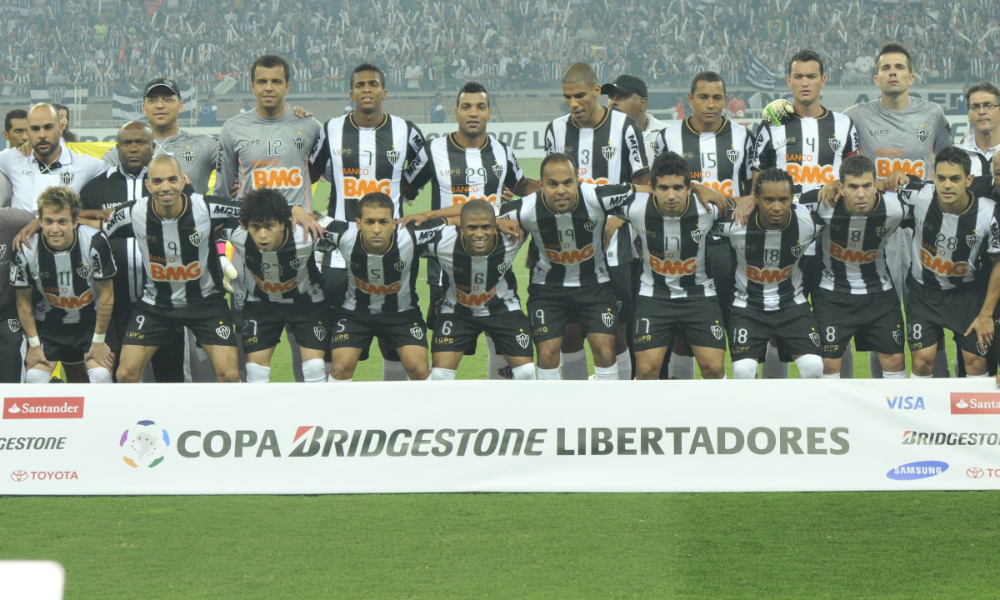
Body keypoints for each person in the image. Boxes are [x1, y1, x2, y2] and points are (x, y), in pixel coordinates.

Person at [406, 81, 538, 380]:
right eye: (466, 106)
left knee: (499, 344)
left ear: (490, 112)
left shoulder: (502, 152)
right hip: (445, 267)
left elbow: (523, 188)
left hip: (495, 260)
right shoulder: (434, 149)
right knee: (443, 358)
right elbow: (403, 186)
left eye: (480, 106)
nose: (473, 113)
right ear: (456, 112)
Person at [837, 42, 953, 378]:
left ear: (911, 76)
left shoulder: (932, 115)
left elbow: (949, 164)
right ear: (876, 78)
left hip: (923, 231)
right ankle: (883, 397)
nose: (893, 73)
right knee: (881, 322)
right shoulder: (855, 116)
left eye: (899, 67)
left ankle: (937, 397)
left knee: (928, 316)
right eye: (886, 68)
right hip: (877, 231)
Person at [309, 62, 429, 382]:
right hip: (338, 245)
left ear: (383, 92)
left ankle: (391, 413)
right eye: (360, 85)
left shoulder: (406, 131)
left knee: (394, 328)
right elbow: (311, 172)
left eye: (372, 84)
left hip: (392, 242)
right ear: (351, 93)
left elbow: (421, 172)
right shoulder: (331, 129)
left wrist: (402, 195)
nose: (366, 89)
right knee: (336, 325)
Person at [214, 55, 325, 382]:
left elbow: (320, 170)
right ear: (252, 85)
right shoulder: (233, 129)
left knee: (302, 330)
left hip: (301, 241)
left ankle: (309, 405)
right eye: (262, 81)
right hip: (252, 243)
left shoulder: (310, 126)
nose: (269, 87)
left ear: (288, 86)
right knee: (252, 319)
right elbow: (224, 191)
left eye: (276, 81)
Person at [750, 49, 859, 378]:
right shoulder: (771, 126)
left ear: (823, 80)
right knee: (776, 323)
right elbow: (757, 180)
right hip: (784, 240)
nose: (805, 82)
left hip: (831, 242)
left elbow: (855, 174)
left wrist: (840, 184)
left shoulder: (844, 124)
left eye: (812, 76)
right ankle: (776, 402)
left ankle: (843, 401)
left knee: (837, 325)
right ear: (789, 81)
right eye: (798, 76)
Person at [102, 155, 254, 383]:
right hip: (156, 306)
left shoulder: (205, 207)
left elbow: (256, 210)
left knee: (230, 376)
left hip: (205, 304)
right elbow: (99, 227)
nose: (165, 187)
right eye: (158, 181)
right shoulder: (133, 213)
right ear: (148, 185)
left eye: (172, 180)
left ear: (183, 181)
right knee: (125, 375)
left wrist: (297, 212)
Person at [544, 63, 649, 381]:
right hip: (566, 254)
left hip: (615, 252)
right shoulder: (555, 131)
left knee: (615, 334)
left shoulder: (625, 128)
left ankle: (622, 406)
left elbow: (644, 187)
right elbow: (549, 188)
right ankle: (574, 412)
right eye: (566, 97)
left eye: (579, 96)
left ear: (596, 91)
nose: (573, 104)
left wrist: (616, 218)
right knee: (570, 333)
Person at [655, 71, 754, 379]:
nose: (710, 105)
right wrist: (698, 187)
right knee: (682, 331)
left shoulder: (742, 136)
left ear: (726, 100)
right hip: (683, 246)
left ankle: (733, 397)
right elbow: (657, 187)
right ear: (690, 100)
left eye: (717, 98)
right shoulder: (668, 137)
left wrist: (747, 199)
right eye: (703, 97)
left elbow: (754, 189)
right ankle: (684, 401)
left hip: (732, 246)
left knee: (733, 322)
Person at [500, 153, 634, 380]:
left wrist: (698, 189)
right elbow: (473, 216)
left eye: (567, 183)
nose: (561, 190)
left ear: (577, 181)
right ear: (541, 185)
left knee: (605, 349)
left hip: (595, 285)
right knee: (546, 353)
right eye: (552, 184)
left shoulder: (596, 197)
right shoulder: (526, 208)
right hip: (548, 289)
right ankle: (555, 411)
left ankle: (609, 409)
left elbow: (646, 190)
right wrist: (496, 220)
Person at [81, 121, 187, 382]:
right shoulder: (96, 187)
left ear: (152, 147)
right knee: (120, 376)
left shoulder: (169, 186)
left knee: (169, 376)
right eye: (126, 143)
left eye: (140, 142)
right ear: (117, 148)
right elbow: (76, 223)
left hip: (165, 301)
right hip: (114, 303)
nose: (133, 148)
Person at [615, 151, 729, 379]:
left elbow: (750, 202)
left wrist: (702, 188)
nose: (671, 195)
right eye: (663, 188)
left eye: (678, 187)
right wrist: (611, 221)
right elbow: (590, 202)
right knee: (646, 370)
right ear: (651, 188)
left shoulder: (708, 208)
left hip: (699, 295)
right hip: (654, 296)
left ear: (689, 187)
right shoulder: (635, 208)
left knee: (714, 369)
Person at [892, 147, 1000, 379]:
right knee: (921, 362)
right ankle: (920, 416)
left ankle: (973, 416)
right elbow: (877, 191)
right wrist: (887, 181)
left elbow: (998, 263)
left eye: (955, 178)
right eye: (941, 178)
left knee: (976, 363)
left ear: (969, 180)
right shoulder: (920, 196)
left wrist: (986, 315)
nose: (947, 185)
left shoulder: (988, 214)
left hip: (966, 297)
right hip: (924, 293)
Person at [799, 155, 907, 378]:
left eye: (867, 186)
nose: (861, 194)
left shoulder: (896, 208)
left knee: (895, 361)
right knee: (828, 365)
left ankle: (890, 412)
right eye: (853, 187)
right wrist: (751, 199)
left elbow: (931, 194)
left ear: (876, 185)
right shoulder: (821, 202)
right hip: (833, 295)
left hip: (879, 294)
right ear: (841, 187)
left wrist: (904, 177)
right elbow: (777, 200)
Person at [712, 168, 825, 379]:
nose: (776, 207)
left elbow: (842, 200)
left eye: (783, 199)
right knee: (743, 371)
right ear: (755, 198)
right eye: (768, 200)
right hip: (747, 307)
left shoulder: (810, 221)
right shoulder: (735, 223)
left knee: (815, 368)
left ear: (793, 198)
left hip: (792, 306)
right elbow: (696, 216)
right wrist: (700, 189)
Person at [323, 193, 448, 382]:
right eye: (369, 222)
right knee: (340, 369)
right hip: (355, 314)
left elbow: (466, 217)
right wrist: (296, 210)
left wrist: (497, 222)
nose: (376, 229)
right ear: (358, 223)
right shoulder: (342, 233)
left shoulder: (411, 234)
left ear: (394, 222)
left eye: (383, 222)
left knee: (420, 371)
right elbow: (307, 219)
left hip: (402, 314)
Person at [219, 189, 331, 383]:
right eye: (255, 227)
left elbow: (352, 235)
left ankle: (317, 413)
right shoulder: (237, 232)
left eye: (269, 226)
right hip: (261, 304)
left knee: (315, 368)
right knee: (254, 371)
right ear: (245, 226)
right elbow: (204, 224)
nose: (262, 235)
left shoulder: (306, 232)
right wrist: (219, 257)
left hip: (306, 303)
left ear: (282, 223)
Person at [421, 200, 536, 381]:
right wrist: (427, 216)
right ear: (461, 227)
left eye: (486, 227)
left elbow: (540, 212)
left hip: (502, 308)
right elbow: (407, 240)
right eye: (472, 228)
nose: (479, 234)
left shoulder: (512, 236)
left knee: (527, 372)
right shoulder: (442, 241)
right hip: (456, 311)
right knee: (440, 376)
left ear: (495, 226)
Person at [11, 187, 116, 384]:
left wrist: (99, 341)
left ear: (75, 222)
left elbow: (107, 294)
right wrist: (34, 345)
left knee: (101, 376)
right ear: (39, 221)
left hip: (89, 322)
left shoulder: (95, 241)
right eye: (48, 221)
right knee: (34, 377)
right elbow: (23, 303)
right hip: (49, 325)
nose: (55, 229)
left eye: (62, 221)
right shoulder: (27, 248)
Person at [103, 78, 220, 195]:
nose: (159, 105)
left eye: (167, 99)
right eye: (153, 100)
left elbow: (235, 167)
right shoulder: (126, 150)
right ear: (144, 108)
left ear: (180, 106)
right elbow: (92, 181)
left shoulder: (205, 144)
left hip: (192, 213)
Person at [0, 104, 107, 213]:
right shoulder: (12, 159)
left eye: (48, 127)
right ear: (28, 131)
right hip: (22, 229)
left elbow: (116, 168)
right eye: (35, 129)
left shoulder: (84, 164)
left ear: (61, 127)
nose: (42, 135)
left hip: (62, 228)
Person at [0, 205, 36, 382]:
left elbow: (54, 214)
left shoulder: (14, 219)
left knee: (12, 351)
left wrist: (35, 224)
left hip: (7, 311)